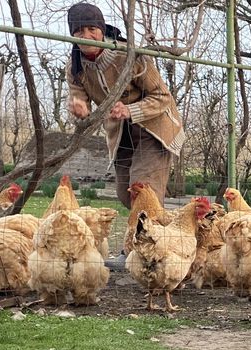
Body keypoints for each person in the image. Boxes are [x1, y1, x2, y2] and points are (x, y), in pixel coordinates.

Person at [65, 2, 185, 212]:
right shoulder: (75, 68)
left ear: (101, 30)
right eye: (79, 30)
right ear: (72, 34)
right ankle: (159, 233)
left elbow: (163, 96)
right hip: (121, 134)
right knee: (125, 194)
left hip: (155, 129)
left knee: (143, 190)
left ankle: (150, 243)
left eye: (92, 29)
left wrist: (131, 110)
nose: (86, 35)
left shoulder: (129, 55)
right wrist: (79, 111)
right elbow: (79, 102)